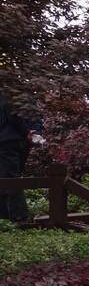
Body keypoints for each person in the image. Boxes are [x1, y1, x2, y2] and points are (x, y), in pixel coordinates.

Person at [0, 93, 42, 222]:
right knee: (10, 176)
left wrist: (29, 133)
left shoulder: (6, 95)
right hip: (20, 142)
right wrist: (36, 134)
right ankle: (7, 215)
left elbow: (13, 115)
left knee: (10, 178)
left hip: (8, 141)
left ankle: (19, 216)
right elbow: (36, 118)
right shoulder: (25, 95)